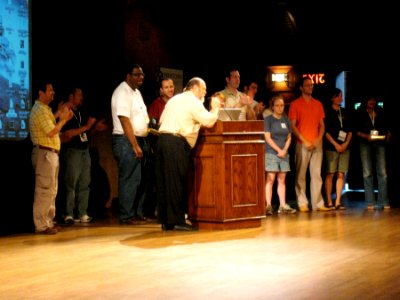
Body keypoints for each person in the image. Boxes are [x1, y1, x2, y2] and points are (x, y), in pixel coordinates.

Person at [155, 77, 222, 231]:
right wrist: (215, 108)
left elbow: (161, 120)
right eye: (204, 90)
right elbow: (209, 121)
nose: (205, 93)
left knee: (165, 182)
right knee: (176, 182)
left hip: (162, 141)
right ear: (195, 88)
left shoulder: (174, 99)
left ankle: (167, 221)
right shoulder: (193, 101)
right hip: (176, 143)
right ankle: (177, 220)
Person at [29, 80, 73, 234]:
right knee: (44, 190)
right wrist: (63, 120)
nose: (53, 92)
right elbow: (51, 131)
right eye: (50, 90)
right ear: (41, 93)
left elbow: (48, 125)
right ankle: (41, 226)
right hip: (44, 154)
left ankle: (48, 222)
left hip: (50, 154)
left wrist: (58, 115)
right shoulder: (39, 110)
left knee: (52, 190)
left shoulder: (44, 109)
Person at [60, 87, 107, 224]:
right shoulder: (66, 113)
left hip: (84, 150)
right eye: (79, 95)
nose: (82, 98)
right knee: (71, 184)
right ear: (71, 96)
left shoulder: (81, 112)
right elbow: (67, 134)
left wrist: (94, 129)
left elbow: (83, 134)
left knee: (85, 183)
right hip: (72, 151)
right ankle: (68, 213)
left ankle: (82, 213)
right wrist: (87, 127)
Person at [111, 63, 150, 225]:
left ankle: (136, 213)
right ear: (128, 76)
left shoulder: (137, 93)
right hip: (126, 141)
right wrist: (135, 145)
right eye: (137, 75)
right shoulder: (122, 92)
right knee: (129, 178)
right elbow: (124, 119)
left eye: (142, 74)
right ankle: (126, 215)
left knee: (139, 179)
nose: (141, 77)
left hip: (139, 139)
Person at [288, 77, 331, 212]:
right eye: (307, 85)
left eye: (311, 85)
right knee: (301, 174)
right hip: (302, 143)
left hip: (317, 144)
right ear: (301, 88)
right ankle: (302, 203)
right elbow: (292, 125)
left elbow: (322, 125)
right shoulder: (295, 104)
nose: (310, 87)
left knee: (317, 174)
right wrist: (304, 140)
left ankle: (318, 203)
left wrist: (319, 139)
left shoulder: (318, 104)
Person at [145, 78, 175, 219]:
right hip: (160, 146)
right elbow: (151, 127)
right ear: (161, 90)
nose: (170, 89)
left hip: (175, 146)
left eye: (171, 86)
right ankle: (159, 209)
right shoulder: (156, 104)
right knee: (160, 180)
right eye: (166, 87)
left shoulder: (177, 103)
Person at [354, 95, 391, 210]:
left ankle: (383, 201)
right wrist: (366, 136)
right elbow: (355, 130)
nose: (372, 102)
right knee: (367, 173)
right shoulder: (360, 112)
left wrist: (388, 136)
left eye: (374, 100)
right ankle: (370, 201)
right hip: (365, 143)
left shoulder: (380, 111)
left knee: (383, 173)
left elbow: (387, 127)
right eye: (370, 99)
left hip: (379, 143)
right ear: (366, 101)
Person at [264, 95, 296, 215]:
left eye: (282, 105)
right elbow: (268, 137)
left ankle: (282, 205)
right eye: (277, 105)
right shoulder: (268, 120)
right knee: (271, 179)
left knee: (282, 180)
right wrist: (278, 150)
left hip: (284, 153)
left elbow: (289, 137)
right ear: (272, 107)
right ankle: (268, 205)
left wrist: (284, 150)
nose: (280, 108)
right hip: (272, 152)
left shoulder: (286, 120)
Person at [324, 88, 353, 210]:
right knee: (331, 173)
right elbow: (325, 132)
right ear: (332, 98)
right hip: (331, 147)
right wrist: (336, 144)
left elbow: (350, 130)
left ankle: (338, 201)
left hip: (345, 147)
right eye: (339, 96)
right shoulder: (327, 112)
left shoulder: (345, 111)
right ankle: (329, 200)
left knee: (341, 173)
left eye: (341, 96)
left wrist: (345, 144)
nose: (341, 98)